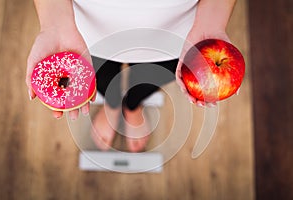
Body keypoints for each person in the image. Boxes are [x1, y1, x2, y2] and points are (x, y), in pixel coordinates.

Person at [26, 0, 236, 152]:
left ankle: (133, 105)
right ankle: (113, 104)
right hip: (81, 31)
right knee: (102, 76)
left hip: (178, 33)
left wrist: (212, 22)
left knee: (150, 78)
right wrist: (54, 23)